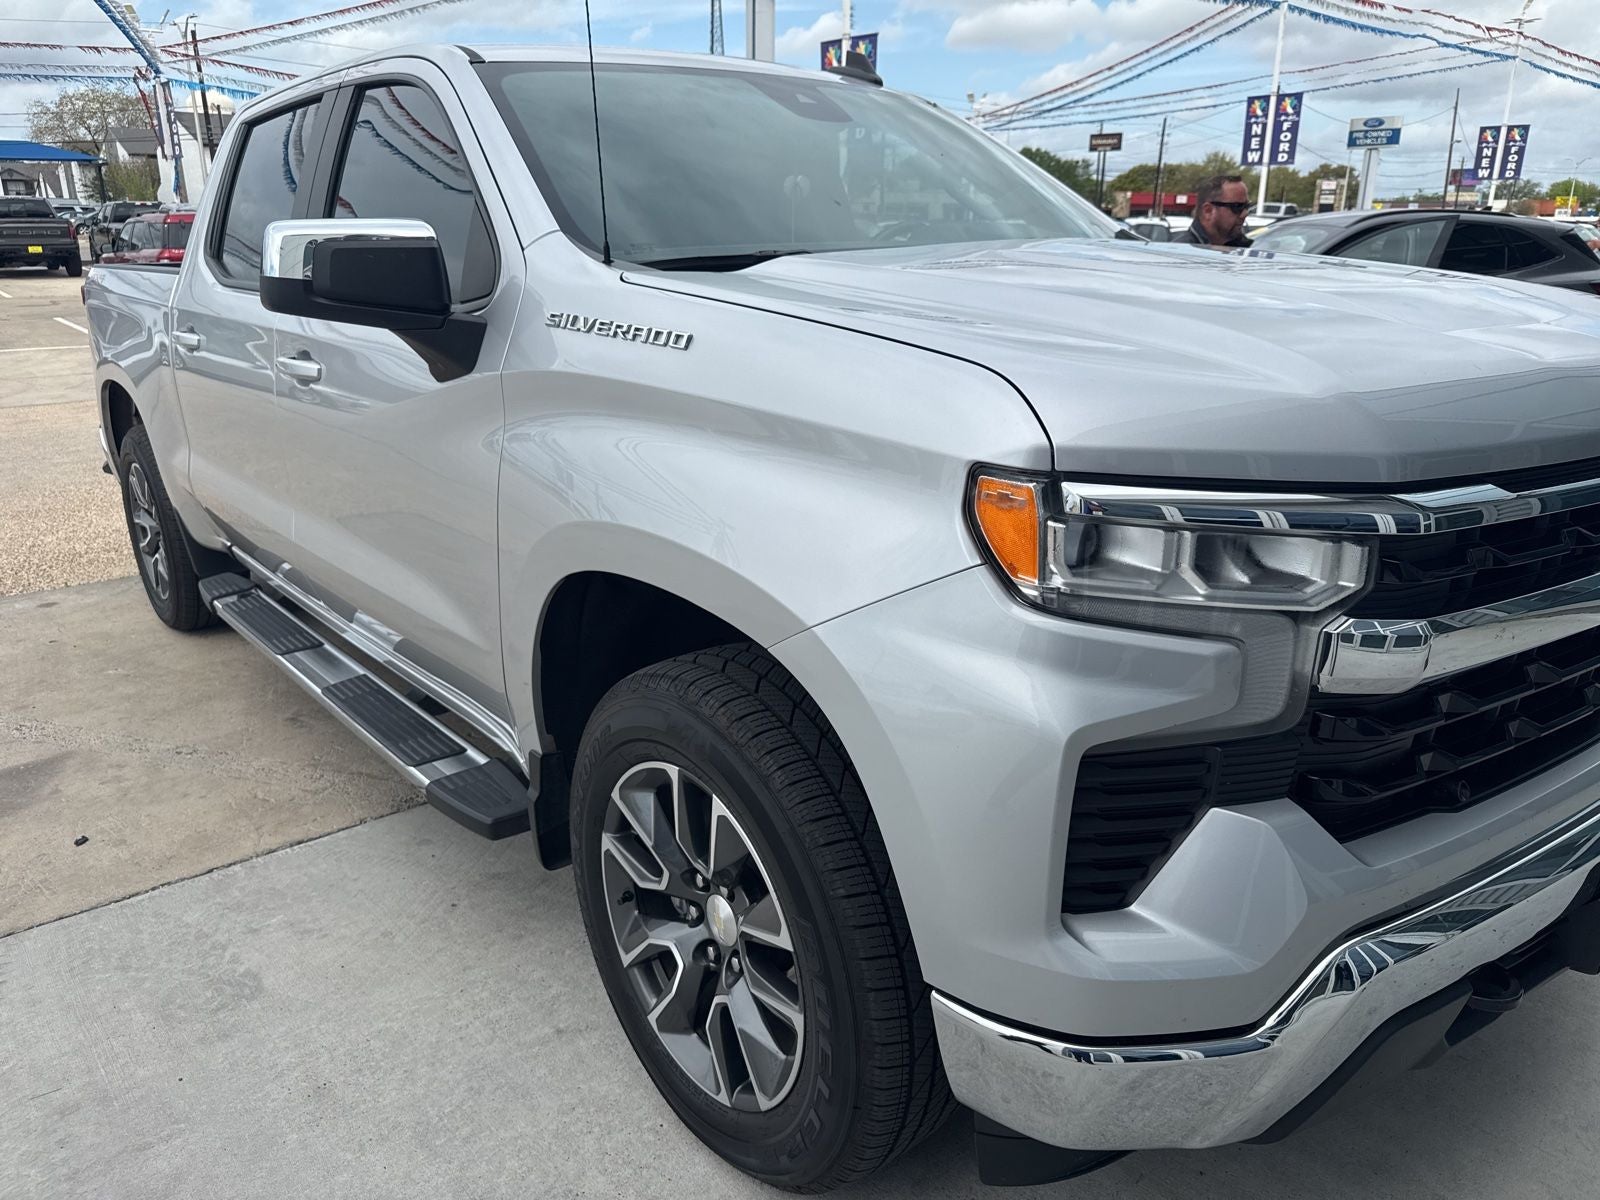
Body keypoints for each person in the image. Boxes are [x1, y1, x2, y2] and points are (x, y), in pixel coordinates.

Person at [1175, 175, 1254, 248]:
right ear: (1208, 211)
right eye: (1237, 207)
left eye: (1247, 206)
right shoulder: (1180, 252)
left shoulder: (1247, 249)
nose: (1245, 214)